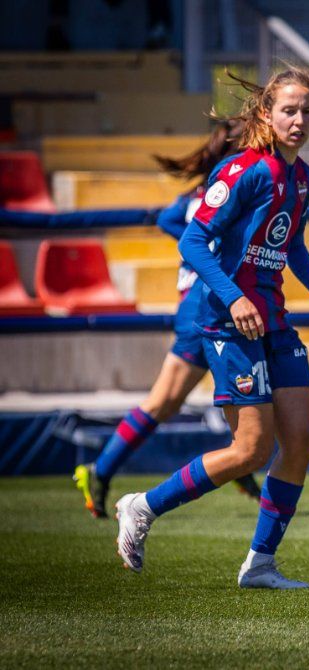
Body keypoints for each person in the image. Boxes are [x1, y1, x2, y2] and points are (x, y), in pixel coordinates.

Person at [113, 64, 309, 589]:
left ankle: (260, 563)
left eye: (308, 111)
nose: (300, 119)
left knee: (302, 439)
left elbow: (289, 244)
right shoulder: (246, 170)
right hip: (228, 321)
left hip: (274, 321)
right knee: (251, 450)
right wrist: (235, 296)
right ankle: (142, 507)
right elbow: (191, 242)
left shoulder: (303, 178)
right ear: (266, 113)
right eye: (289, 110)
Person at [73, 119, 262, 519]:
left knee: (243, 388)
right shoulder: (238, 189)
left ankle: (238, 461)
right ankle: (101, 470)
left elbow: (168, 220)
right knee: (166, 399)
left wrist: (196, 244)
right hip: (206, 304)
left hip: (203, 300)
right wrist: (204, 247)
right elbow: (187, 230)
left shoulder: (206, 193)